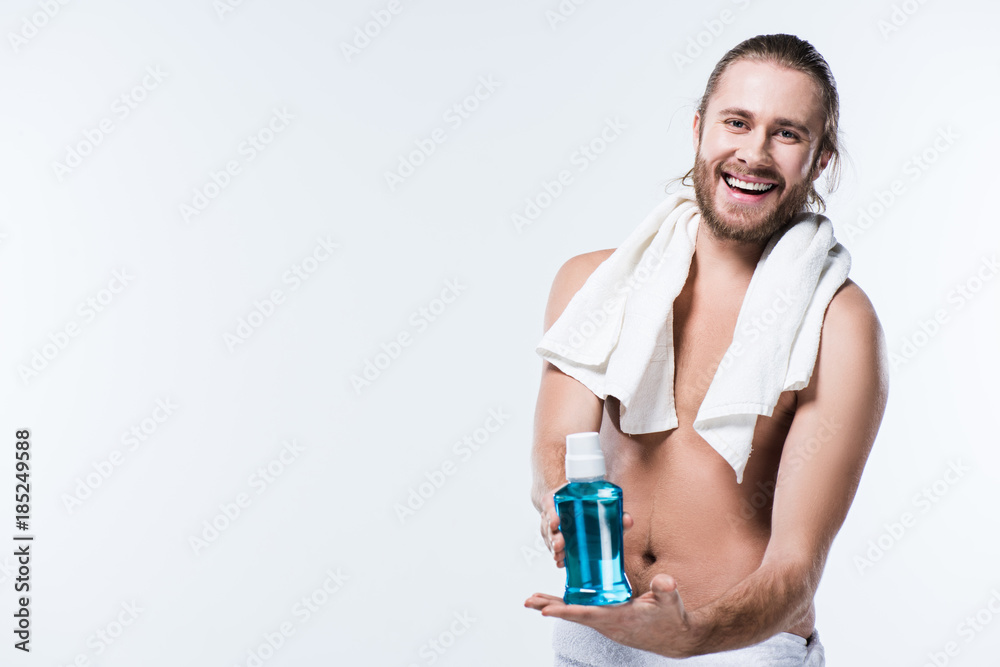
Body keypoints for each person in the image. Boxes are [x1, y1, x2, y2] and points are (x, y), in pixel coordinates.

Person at [524, 34, 888, 665]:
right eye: (737, 122)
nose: (753, 153)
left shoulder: (840, 323)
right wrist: (562, 503)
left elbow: (796, 566)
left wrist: (692, 636)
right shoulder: (595, 283)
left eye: (787, 133)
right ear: (699, 129)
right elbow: (558, 448)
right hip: (595, 636)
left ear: (820, 159)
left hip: (741, 648)